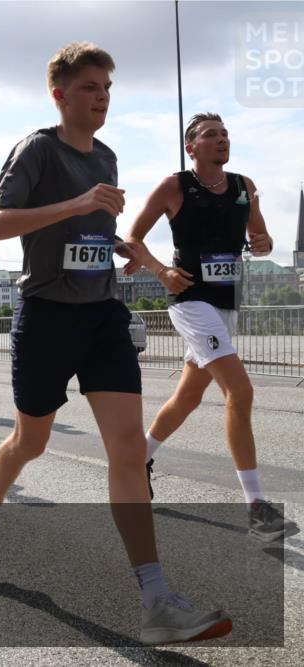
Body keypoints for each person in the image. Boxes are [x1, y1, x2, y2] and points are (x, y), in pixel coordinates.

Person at [0, 43, 231, 646]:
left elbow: (93, 232)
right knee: (31, 439)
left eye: (107, 86)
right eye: (89, 86)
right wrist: (81, 202)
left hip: (103, 314)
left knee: (129, 451)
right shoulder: (38, 149)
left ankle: (156, 598)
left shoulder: (106, 154)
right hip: (47, 315)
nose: (102, 95)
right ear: (59, 93)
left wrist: (131, 253)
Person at [123, 112, 295, 542]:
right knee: (240, 390)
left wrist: (263, 242)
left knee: (188, 395)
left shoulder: (243, 186)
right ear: (191, 147)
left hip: (226, 304)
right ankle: (256, 508)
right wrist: (161, 271)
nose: (221, 140)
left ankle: (138, 459)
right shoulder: (174, 186)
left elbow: (262, 236)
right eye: (209, 135)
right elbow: (132, 238)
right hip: (190, 301)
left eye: (224, 134)